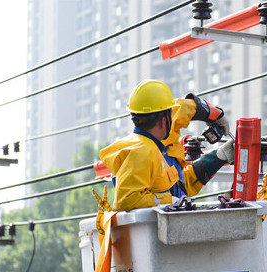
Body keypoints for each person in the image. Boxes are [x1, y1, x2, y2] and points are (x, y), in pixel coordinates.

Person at [99, 79, 234, 211]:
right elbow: (126, 200)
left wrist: (218, 157)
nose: (174, 116)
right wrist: (169, 200)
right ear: (163, 121)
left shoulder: (151, 147)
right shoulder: (142, 152)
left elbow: (178, 186)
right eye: (170, 113)